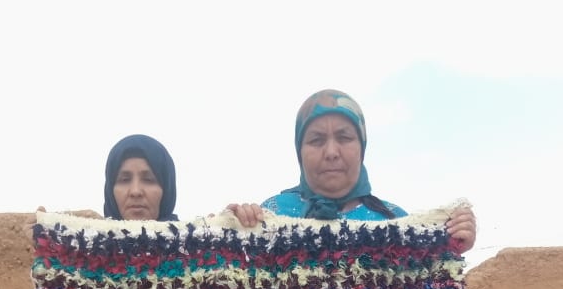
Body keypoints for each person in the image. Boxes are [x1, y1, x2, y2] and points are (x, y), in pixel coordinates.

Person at [228, 89, 475, 250]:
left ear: (362, 146)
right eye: (316, 140)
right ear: (299, 150)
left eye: (344, 138)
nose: (331, 152)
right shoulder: (270, 214)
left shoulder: (395, 221)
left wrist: (450, 243)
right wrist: (234, 228)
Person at [103, 134, 178, 221]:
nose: (136, 191)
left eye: (148, 180)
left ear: (167, 189)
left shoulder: (192, 233)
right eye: (125, 180)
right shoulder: (89, 232)